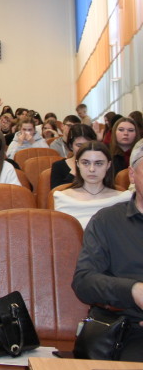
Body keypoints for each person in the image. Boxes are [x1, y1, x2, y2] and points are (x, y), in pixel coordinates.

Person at [71, 140, 143, 362]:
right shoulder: (106, 221)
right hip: (129, 330)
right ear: (132, 175)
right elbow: (84, 281)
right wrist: (132, 290)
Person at [54, 142, 132, 229]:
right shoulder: (62, 198)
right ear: (78, 164)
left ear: (108, 165)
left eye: (98, 163)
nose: (92, 169)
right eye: (85, 163)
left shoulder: (124, 198)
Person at [50, 124, 96, 189]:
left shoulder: (99, 165)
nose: (83, 149)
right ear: (71, 146)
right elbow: (56, 192)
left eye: (87, 145)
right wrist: (74, 172)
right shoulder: (58, 166)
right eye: (79, 145)